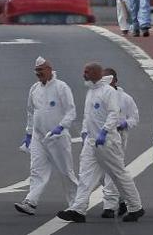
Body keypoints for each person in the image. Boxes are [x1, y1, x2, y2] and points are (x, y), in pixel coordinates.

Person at [56, 63, 144, 223]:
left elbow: (113, 113)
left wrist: (105, 131)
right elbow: (88, 115)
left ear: (97, 73)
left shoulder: (108, 92)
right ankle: (78, 209)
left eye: (87, 71)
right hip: (91, 142)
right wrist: (84, 132)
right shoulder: (91, 91)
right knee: (85, 176)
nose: (84, 74)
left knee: (118, 175)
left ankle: (136, 207)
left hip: (108, 142)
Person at [14, 56, 78, 215]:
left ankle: (76, 204)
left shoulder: (61, 87)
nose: (38, 74)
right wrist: (28, 133)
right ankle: (31, 202)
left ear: (49, 69)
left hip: (58, 137)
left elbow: (71, 112)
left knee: (66, 172)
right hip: (38, 137)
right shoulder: (34, 89)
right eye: (36, 71)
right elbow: (30, 112)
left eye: (41, 70)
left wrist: (61, 127)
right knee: (36, 170)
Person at [100, 68, 139, 219]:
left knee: (113, 168)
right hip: (101, 136)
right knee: (100, 172)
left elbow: (134, 118)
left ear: (115, 80)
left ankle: (109, 206)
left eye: (107, 79)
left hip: (118, 136)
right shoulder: (99, 95)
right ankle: (122, 199)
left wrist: (124, 124)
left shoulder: (125, 98)